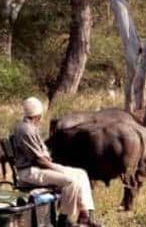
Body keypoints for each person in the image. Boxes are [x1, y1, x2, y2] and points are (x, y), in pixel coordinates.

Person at [14, 97, 100, 227]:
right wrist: (57, 168)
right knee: (70, 181)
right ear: (38, 115)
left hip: (39, 167)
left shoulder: (29, 127)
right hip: (30, 171)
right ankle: (63, 219)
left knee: (81, 173)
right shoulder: (26, 130)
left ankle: (85, 215)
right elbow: (38, 159)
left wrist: (55, 166)